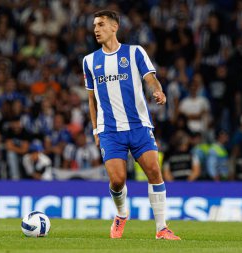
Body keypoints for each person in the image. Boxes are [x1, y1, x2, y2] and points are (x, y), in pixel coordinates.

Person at [83, 10, 180, 240]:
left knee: (154, 171)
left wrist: (158, 90)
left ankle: (161, 228)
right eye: (95, 25)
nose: (96, 29)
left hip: (138, 126)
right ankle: (121, 214)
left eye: (101, 24)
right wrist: (96, 129)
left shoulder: (135, 52)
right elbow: (91, 99)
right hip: (110, 130)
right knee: (117, 180)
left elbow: (150, 78)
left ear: (114, 27)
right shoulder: (89, 61)